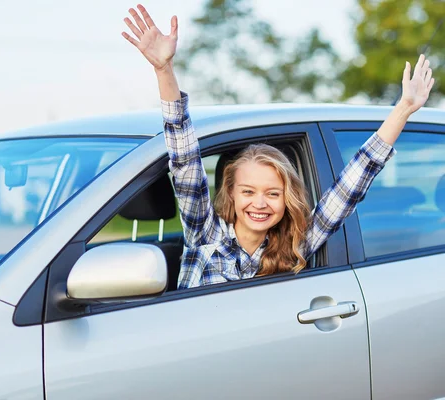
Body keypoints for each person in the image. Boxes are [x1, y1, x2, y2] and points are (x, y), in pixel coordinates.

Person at [122, 4, 435, 289]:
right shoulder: (206, 233)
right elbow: (185, 160)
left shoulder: (294, 245)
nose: (260, 203)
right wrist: (164, 70)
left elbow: (351, 185)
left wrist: (403, 108)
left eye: (273, 194)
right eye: (248, 192)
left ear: (287, 198)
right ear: (230, 192)